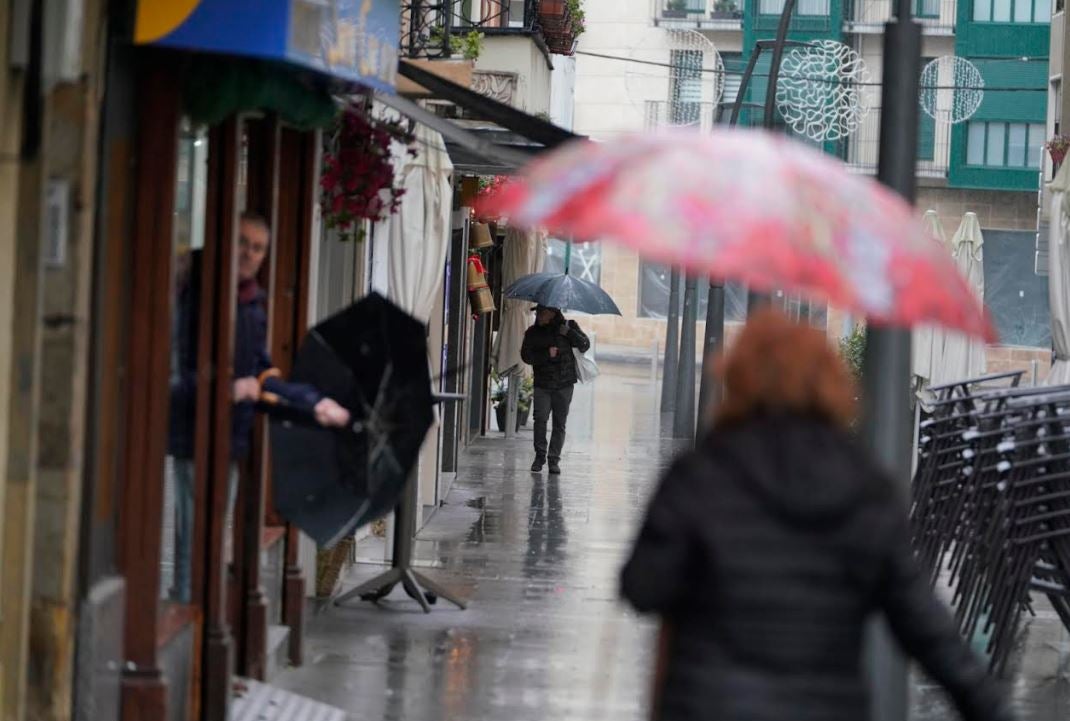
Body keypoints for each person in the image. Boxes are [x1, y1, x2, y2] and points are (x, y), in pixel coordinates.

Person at [620, 308, 1013, 721]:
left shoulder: (700, 474)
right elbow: (926, 627)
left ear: (736, 379)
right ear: (832, 384)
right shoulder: (865, 487)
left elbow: (641, 587)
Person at [167, 212, 349, 602]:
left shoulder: (250, 299)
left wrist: (314, 403)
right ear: (224, 242)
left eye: (257, 248)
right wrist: (227, 388)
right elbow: (172, 370)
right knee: (196, 537)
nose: (249, 253)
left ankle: (198, 610)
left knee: (211, 534)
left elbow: (262, 371)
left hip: (231, 435)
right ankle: (187, 614)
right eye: (242, 243)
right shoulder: (192, 290)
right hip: (194, 430)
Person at [520, 305, 590, 475]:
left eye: (541, 313)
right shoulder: (532, 332)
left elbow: (585, 345)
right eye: (537, 313)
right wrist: (546, 354)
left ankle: (553, 460)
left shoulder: (569, 326)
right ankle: (539, 456)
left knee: (560, 423)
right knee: (540, 419)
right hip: (542, 384)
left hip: (564, 384)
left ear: (551, 313)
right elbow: (526, 356)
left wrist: (569, 333)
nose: (538, 316)